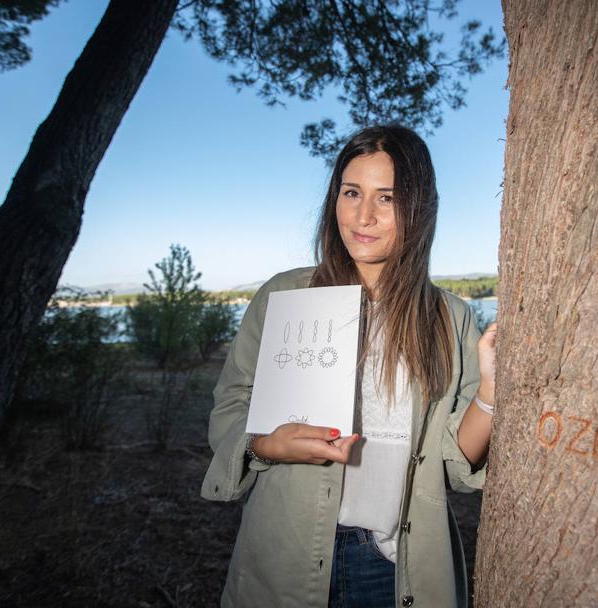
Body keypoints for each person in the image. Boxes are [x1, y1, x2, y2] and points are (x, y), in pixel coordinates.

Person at [201, 125, 497, 608]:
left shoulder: (449, 317)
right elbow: (230, 406)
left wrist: (490, 393)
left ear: (419, 208)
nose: (364, 215)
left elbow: (454, 464)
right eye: (352, 192)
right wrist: (264, 444)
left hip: (392, 568)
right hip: (283, 557)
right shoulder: (284, 296)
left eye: (388, 198)